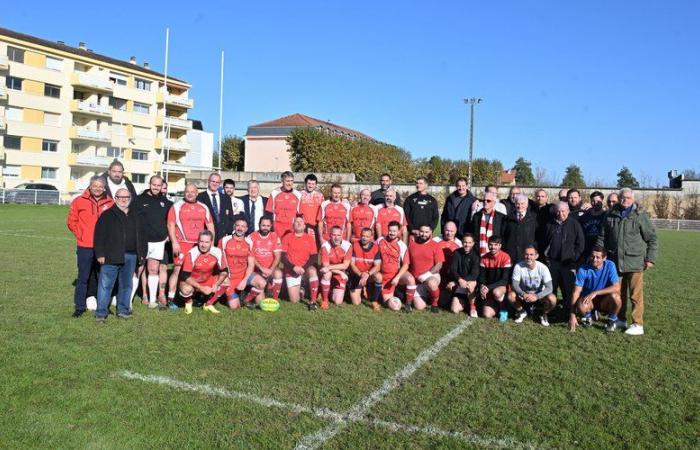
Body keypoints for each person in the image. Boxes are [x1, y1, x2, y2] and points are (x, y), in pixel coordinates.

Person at [597, 188, 658, 336]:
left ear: (633, 199)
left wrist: (650, 258)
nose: (626, 200)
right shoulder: (610, 214)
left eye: (629, 198)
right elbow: (602, 236)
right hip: (615, 261)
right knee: (618, 293)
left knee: (635, 295)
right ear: (618, 198)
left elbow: (652, 238)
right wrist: (600, 253)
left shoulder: (639, 215)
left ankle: (637, 324)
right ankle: (620, 318)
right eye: (623, 198)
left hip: (635, 262)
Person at [93, 188, 147, 322]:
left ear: (130, 199)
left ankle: (123, 310)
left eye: (127, 197)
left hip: (131, 256)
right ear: (115, 198)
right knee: (106, 285)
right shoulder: (107, 215)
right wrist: (100, 254)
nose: (124, 199)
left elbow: (142, 237)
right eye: (121, 197)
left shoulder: (136, 215)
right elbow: (99, 236)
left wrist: (142, 255)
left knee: (126, 285)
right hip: (111, 256)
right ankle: (101, 313)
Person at [66, 175, 114, 317]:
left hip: (104, 248)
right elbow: (71, 221)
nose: (98, 188)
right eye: (95, 186)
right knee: (83, 277)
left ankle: (103, 306)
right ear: (90, 186)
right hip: (85, 246)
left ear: (104, 187)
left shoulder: (110, 202)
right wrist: (80, 234)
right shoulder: (79, 201)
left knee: (103, 278)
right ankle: (80, 306)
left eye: (100, 186)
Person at [166, 183, 215, 306]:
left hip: (199, 245)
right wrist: (174, 242)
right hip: (182, 244)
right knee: (177, 270)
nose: (190, 194)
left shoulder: (203, 207)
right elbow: (170, 225)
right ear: (184, 192)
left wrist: (211, 244)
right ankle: (171, 299)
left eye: (193, 192)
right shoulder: (176, 206)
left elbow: (210, 226)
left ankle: (193, 296)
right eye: (187, 191)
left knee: (197, 271)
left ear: (197, 193)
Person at [132, 175, 172, 309]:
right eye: (154, 185)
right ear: (149, 184)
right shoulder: (138, 200)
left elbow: (172, 221)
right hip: (142, 242)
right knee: (138, 269)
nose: (156, 187)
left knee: (153, 269)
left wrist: (168, 235)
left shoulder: (165, 202)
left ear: (162, 187)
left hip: (158, 242)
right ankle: (128, 300)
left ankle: (153, 300)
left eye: (159, 185)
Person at [568, 246, 622, 333]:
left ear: (604, 258)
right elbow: (576, 292)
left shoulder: (610, 265)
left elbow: (617, 287)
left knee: (616, 297)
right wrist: (572, 314)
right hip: (589, 300)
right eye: (592, 256)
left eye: (598, 257)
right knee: (580, 303)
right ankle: (588, 318)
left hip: (604, 300)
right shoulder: (583, 269)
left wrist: (596, 292)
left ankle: (611, 321)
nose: (594, 259)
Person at [544, 202, 585, 312]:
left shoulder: (574, 224)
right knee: (551, 288)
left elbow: (580, 244)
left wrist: (573, 258)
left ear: (568, 211)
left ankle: (569, 311)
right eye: (558, 211)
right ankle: (552, 310)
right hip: (552, 262)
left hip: (568, 263)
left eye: (563, 211)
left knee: (568, 289)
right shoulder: (549, 224)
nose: (560, 213)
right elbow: (544, 241)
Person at [220, 218, 267, 309]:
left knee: (261, 283)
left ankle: (247, 297)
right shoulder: (224, 240)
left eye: (243, 226)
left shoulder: (249, 242)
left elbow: (251, 264)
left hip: (244, 274)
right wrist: (225, 278)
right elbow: (219, 262)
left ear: (246, 229)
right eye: (238, 225)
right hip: (229, 277)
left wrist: (244, 280)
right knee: (235, 307)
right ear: (234, 226)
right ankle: (239, 297)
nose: (240, 228)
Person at [178, 230, 228, 315]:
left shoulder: (217, 252)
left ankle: (208, 304)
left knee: (226, 281)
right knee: (185, 289)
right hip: (192, 282)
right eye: (201, 241)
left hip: (208, 280)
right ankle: (188, 302)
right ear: (198, 241)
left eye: (206, 242)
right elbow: (184, 275)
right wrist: (201, 288)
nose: (203, 245)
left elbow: (224, 271)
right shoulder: (192, 253)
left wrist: (216, 284)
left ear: (211, 242)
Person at [507, 245, 556, 326]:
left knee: (553, 299)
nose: (528, 257)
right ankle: (522, 311)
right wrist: (523, 294)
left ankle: (543, 314)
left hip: (539, 295)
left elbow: (549, 288)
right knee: (510, 296)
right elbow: (514, 284)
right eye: (526, 254)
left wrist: (537, 296)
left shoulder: (543, 268)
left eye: (531, 254)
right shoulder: (518, 266)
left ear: (536, 256)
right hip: (524, 294)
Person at [281, 215, 320, 309]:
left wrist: (304, 267)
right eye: (296, 222)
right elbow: (282, 256)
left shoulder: (309, 238)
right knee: (294, 300)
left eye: (301, 222)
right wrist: (293, 267)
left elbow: (314, 256)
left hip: (305, 269)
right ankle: (302, 289)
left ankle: (313, 301)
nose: (298, 223)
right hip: (292, 269)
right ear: (293, 225)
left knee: (313, 271)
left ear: (304, 226)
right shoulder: (287, 237)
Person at [377, 221, 416, 311]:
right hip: (383, 275)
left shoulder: (402, 245)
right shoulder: (380, 240)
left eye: (394, 231)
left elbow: (406, 265)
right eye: (390, 230)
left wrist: (397, 277)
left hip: (396, 274)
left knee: (410, 279)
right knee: (392, 305)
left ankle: (408, 304)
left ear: (399, 232)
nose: (392, 233)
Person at [408, 225, 445, 312]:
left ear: (431, 233)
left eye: (426, 232)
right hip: (417, 280)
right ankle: (429, 296)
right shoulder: (412, 245)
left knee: (431, 283)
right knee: (419, 306)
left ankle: (434, 304)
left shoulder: (435, 245)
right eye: (422, 231)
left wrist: (427, 275)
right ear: (418, 232)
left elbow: (439, 265)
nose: (423, 234)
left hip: (431, 276)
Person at [478, 236, 512, 321]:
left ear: (500, 246)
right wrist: (482, 287)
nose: (493, 247)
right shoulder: (484, 258)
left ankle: (504, 309)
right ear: (488, 245)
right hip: (488, 288)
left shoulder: (506, 257)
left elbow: (504, 280)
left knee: (496, 292)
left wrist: (488, 288)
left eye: (496, 245)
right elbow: (481, 277)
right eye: (491, 245)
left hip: (500, 286)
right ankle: (497, 307)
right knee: (486, 315)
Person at [348, 227, 383, 310]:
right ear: (360, 235)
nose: (364, 238)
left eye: (367, 236)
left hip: (368, 275)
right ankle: (352, 289)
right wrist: (360, 274)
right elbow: (352, 264)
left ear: (371, 237)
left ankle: (374, 301)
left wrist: (367, 274)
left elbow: (378, 266)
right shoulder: (354, 245)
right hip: (357, 274)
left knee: (379, 277)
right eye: (363, 236)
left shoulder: (375, 248)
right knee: (356, 302)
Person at [319, 226, 352, 309]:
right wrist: (341, 272)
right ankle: (325, 300)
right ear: (330, 235)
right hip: (332, 273)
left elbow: (345, 265)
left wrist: (338, 272)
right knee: (327, 273)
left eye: (339, 235)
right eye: (334, 235)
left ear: (342, 236)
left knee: (337, 301)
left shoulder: (348, 246)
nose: (336, 238)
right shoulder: (325, 246)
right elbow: (325, 267)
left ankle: (327, 290)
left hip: (339, 276)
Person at [448, 233, 480, 316]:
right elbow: (453, 270)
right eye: (465, 242)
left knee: (470, 284)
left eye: (469, 242)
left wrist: (460, 281)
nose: (467, 244)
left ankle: (473, 307)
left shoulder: (476, 255)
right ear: (462, 242)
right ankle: (466, 304)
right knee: (454, 310)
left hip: (471, 283)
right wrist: (458, 280)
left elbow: (474, 274)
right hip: (460, 282)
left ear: (473, 243)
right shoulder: (457, 253)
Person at [197, 172, 234, 243]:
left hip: (223, 236)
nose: (215, 184)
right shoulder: (200, 197)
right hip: (206, 237)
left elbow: (230, 217)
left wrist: (228, 232)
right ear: (208, 181)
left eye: (217, 182)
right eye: (213, 181)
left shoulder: (226, 198)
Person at [504, 194, 538, 264]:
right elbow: (504, 235)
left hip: (527, 255)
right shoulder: (508, 218)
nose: (520, 206)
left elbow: (537, 236)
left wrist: (533, 249)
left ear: (527, 205)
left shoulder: (534, 218)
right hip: (511, 254)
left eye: (522, 204)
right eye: (518, 204)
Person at [267, 171, 303, 237]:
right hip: (277, 228)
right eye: (287, 181)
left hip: (291, 229)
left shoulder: (298, 195)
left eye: (291, 181)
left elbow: (299, 215)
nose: (290, 183)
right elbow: (268, 213)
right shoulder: (274, 193)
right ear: (282, 181)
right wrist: (271, 229)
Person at [471, 192, 507, 256]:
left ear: (494, 203)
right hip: (479, 252)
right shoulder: (476, 216)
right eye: (483, 200)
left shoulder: (501, 217)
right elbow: (473, 234)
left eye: (488, 201)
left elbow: (503, 236)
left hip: (496, 252)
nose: (485, 202)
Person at [432, 221, 462, 294]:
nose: (449, 233)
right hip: (436, 273)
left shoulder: (460, 244)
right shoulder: (435, 240)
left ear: (455, 231)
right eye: (447, 230)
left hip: (451, 275)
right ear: (443, 230)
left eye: (451, 231)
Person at [578, 191, 607, 260]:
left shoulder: (606, 216)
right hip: (586, 248)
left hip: (600, 250)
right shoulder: (585, 215)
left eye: (598, 201)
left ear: (602, 201)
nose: (595, 203)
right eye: (593, 201)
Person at [533, 188, 555, 262]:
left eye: (542, 196)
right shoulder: (531, 209)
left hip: (546, 241)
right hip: (534, 240)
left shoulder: (551, 208)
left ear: (546, 197)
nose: (540, 198)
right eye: (538, 196)